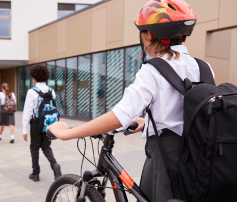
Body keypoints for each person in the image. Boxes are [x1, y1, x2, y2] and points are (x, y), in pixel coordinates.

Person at [47, 1, 214, 202]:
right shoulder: (204, 67)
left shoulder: (153, 70)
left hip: (167, 160)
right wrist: (150, 123)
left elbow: (120, 116)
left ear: (150, 35)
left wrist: (67, 133)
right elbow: (192, 110)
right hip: (201, 157)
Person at [22, 64, 62, 182]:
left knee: (34, 148)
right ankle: (54, 165)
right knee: (46, 146)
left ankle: (35, 173)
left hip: (36, 124)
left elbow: (27, 112)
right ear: (46, 77)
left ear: (34, 78)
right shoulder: (51, 91)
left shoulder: (32, 92)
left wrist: (25, 129)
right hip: (48, 124)